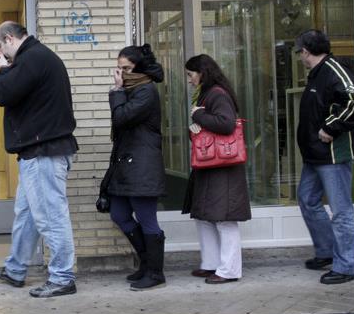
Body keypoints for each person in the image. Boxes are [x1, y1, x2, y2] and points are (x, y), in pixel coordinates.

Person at [0, 21, 78, 298]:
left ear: (8, 39)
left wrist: (3, 70)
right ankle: (16, 269)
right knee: (27, 215)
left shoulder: (31, 59)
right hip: (40, 152)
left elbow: (3, 94)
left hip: (44, 153)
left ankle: (63, 277)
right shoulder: (38, 57)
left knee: (50, 218)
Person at [294, 29, 354, 285]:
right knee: (307, 200)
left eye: (300, 52)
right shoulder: (318, 74)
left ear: (306, 51)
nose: (300, 56)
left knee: (341, 211)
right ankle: (327, 252)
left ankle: (345, 266)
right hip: (315, 155)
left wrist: (331, 127)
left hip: (332, 155)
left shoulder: (334, 70)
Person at [182, 54, 251, 284]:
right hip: (212, 164)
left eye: (191, 75)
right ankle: (211, 264)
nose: (190, 80)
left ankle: (229, 270)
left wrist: (198, 115)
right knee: (205, 216)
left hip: (222, 166)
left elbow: (226, 123)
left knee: (224, 218)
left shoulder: (216, 94)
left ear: (202, 73)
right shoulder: (209, 93)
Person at [107, 44, 167, 291]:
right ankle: (146, 263)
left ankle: (155, 272)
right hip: (128, 164)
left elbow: (121, 117)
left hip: (143, 165)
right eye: (119, 69)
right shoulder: (134, 89)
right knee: (118, 214)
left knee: (147, 218)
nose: (121, 74)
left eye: (127, 68)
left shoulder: (146, 91)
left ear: (138, 68)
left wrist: (116, 91)